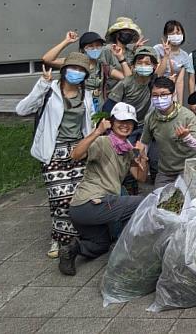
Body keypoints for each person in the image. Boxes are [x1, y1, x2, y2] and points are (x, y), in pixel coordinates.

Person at [16, 52, 95, 259]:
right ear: (64, 69)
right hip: (53, 150)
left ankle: (66, 240)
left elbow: (90, 124)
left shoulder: (86, 95)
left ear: (85, 74)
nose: (76, 73)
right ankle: (61, 239)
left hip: (79, 151)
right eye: (73, 68)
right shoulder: (50, 90)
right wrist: (42, 84)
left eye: (81, 70)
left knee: (76, 197)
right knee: (60, 197)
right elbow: (22, 109)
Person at [58, 102, 147, 276]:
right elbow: (75, 155)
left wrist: (142, 157)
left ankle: (71, 249)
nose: (125, 125)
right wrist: (97, 131)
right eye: (120, 120)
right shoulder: (102, 142)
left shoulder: (127, 150)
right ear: (111, 123)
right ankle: (128, 250)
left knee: (99, 245)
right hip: (90, 203)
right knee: (144, 202)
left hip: (87, 211)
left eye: (129, 122)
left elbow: (141, 178)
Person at [42, 30, 131, 112]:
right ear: (82, 49)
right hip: (76, 107)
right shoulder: (73, 63)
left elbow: (128, 79)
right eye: (90, 46)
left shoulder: (104, 67)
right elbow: (47, 59)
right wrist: (66, 42)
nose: (95, 49)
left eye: (98, 46)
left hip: (97, 110)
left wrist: (121, 58)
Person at [141, 77, 196, 188]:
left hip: (187, 169)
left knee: (185, 201)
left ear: (173, 94)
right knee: (158, 200)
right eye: (155, 95)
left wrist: (187, 138)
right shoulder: (150, 118)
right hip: (165, 172)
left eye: (164, 94)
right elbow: (144, 142)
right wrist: (141, 157)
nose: (159, 99)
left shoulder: (187, 116)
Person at [104, 46, 166, 134]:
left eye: (147, 63)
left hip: (142, 124)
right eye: (139, 63)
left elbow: (161, 72)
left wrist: (166, 56)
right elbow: (109, 106)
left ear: (154, 66)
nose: (143, 66)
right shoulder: (126, 83)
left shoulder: (153, 81)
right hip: (125, 124)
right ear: (134, 66)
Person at [153, 20, 194, 103]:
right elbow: (157, 74)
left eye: (178, 33)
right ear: (166, 35)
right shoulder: (157, 49)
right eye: (172, 33)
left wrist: (180, 103)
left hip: (171, 92)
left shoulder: (185, 55)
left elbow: (180, 82)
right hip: (156, 90)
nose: (176, 36)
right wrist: (166, 55)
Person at [101, 17, 147, 89]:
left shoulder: (130, 52)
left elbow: (133, 73)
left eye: (130, 33)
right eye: (126, 32)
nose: (128, 35)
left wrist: (136, 51)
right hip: (110, 92)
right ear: (117, 34)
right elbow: (105, 69)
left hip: (126, 92)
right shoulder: (107, 49)